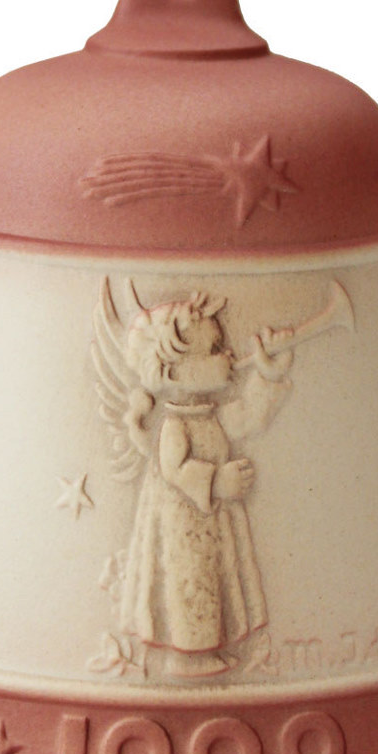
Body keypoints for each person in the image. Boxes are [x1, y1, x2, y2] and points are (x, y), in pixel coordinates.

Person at [119, 290, 293, 677]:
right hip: (182, 532)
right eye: (215, 348)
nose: (228, 354)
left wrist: (269, 375)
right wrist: (215, 482)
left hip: (208, 526)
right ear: (175, 371)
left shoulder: (209, 415)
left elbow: (249, 417)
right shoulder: (175, 424)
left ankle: (209, 648)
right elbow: (174, 468)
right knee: (190, 585)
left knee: (212, 581)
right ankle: (189, 656)